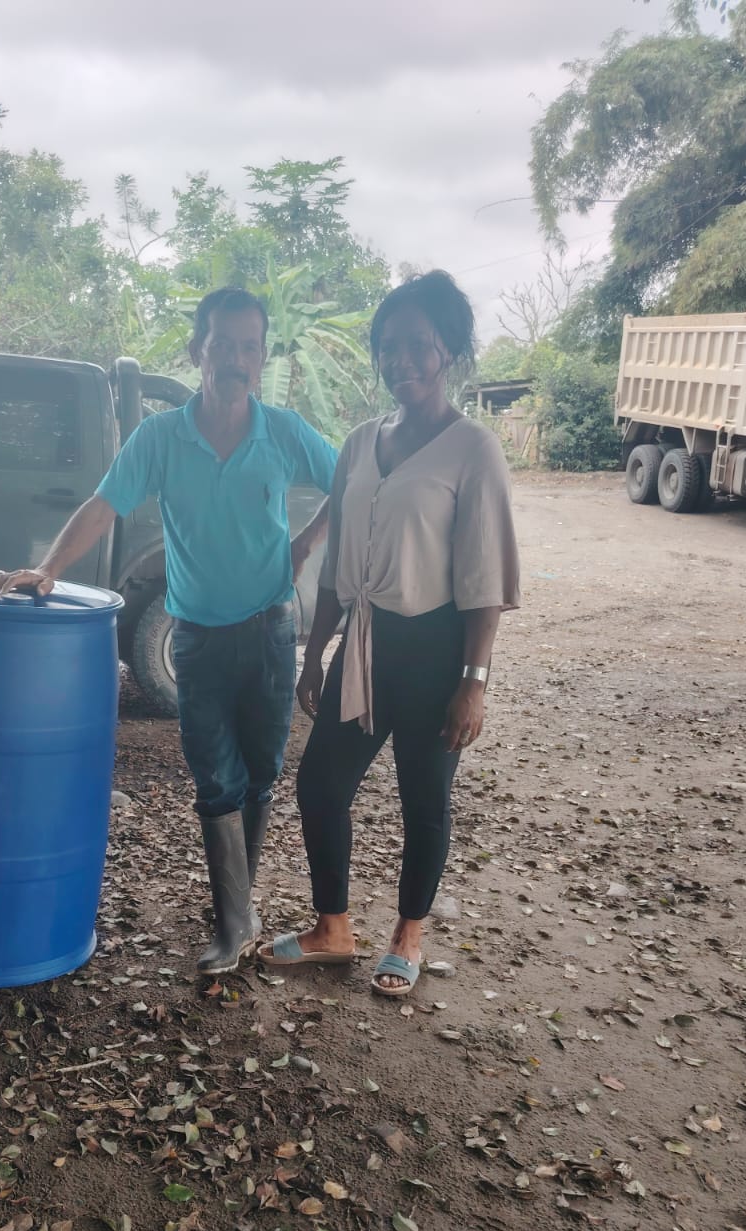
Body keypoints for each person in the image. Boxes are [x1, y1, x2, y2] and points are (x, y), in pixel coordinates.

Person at [0, 287, 337, 974]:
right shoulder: (160, 438)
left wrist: (307, 541)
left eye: (248, 347)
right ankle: (233, 924)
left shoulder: (284, 431)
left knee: (261, 774)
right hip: (198, 640)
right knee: (215, 778)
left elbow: (352, 481)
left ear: (261, 357)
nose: (234, 359)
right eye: (222, 344)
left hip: (270, 630)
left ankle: (241, 907)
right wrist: (50, 568)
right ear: (197, 349)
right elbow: (104, 504)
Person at [261, 270, 520, 998]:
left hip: (435, 651)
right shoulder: (359, 444)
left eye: (418, 345)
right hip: (364, 646)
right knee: (320, 784)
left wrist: (473, 683)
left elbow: (485, 580)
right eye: (388, 346)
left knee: (423, 799)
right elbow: (339, 564)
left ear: (449, 352)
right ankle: (333, 928)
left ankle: (408, 935)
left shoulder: (473, 449)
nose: (400, 360)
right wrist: (317, 654)